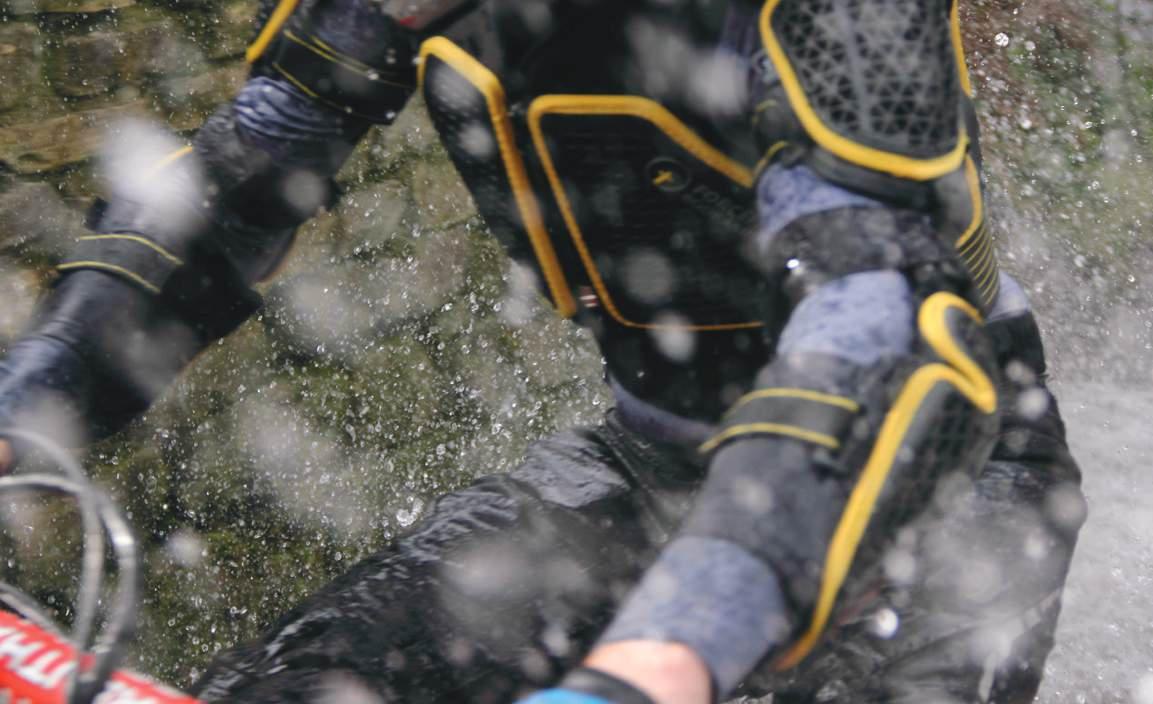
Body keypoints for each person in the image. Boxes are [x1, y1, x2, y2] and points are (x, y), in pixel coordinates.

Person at [0, 0, 1084, 702]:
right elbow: (223, 202)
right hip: (649, 461)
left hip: (939, 495)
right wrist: (24, 413)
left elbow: (880, 334)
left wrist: (669, 650)